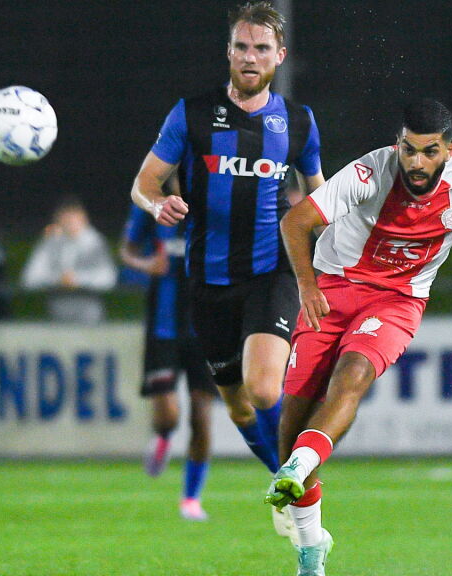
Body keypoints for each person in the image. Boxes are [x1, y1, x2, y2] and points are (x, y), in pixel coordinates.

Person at [263, 99, 452, 575]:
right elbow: (296, 220)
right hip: (332, 287)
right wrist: (306, 286)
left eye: (429, 152)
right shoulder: (370, 171)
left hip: (397, 299)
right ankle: (312, 541)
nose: (417, 162)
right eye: (409, 150)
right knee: (292, 428)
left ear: (450, 149)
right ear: (398, 145)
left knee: (354, 372)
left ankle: (304, 509)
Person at [130, 1, 325, 540]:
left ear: (279, 56)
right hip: (208, 280)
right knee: (238, 408)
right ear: (229, 52)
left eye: (261, 48)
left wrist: (335, 251)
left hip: (270, 271)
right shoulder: (191, 114)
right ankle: (284, 483)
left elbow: (320, 198)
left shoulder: (299, 122)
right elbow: (144, 183)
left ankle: (297, 487)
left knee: (263, 390)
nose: (250, 57)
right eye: (242, 46)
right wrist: (157, 205)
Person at [120, 198, 219, 522]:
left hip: (206, 328)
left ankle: (191, 498)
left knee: (201, 416)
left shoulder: (215, 198)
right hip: (163, 328)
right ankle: (163, 435)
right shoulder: (151, 203)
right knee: (168, 415)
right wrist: (145, 264)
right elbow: (127, 250)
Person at [20, 196, 117, 324]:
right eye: (65, 219)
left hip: (90, 317)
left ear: (84, 219)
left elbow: (108, 279)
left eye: (74, 218)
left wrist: (77, 280)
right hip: (57, 316)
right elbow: (29, 278)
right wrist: (58, 279)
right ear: (57, 220)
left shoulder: (95, 243)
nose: (70, 223)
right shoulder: (49, 243)